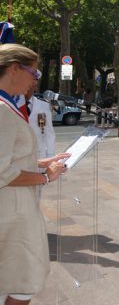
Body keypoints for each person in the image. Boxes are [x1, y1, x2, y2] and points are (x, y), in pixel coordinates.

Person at [0, 44, 69, 305]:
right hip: (11, 213)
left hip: (12, 208)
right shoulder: (2, 110)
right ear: (15, 68)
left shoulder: (7, 105)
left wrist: (41, 162)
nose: (35, 79)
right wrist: (46, 176)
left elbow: (10, 156)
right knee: (21, 286)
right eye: (34, 72)